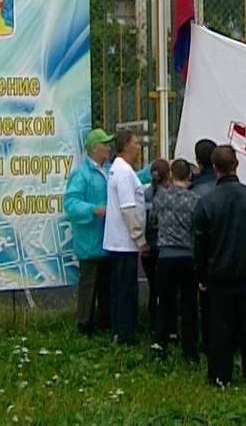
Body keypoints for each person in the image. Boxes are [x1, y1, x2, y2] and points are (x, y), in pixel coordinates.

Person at [193, 145, 246, 385]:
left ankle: (220, 375)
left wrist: (202, 275)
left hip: (218, 275)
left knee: (220, 327)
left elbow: (200, 244)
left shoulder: (206, 202)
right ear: (236, 164)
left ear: (214, 167)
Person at [64, 128, 114, 336]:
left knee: (106, 285)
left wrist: (149, 172)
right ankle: (84, 325)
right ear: (94, 148)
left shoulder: (108, 170)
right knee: (89, 286)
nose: (108, 148)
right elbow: (70, 203)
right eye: (105, 144)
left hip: (107, 240)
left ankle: (104, 323)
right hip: (89, 242)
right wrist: (92, 209)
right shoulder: (81, 174)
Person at [152, 158, 201, 362]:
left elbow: (153, 220)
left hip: (165, 256)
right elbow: (198, 227)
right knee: (189, 304)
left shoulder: (161, 197)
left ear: (171, 175)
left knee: (165, 302)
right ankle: (190, 351)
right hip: (187, 256)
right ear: (189, 175)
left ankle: (160, 345)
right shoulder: (195, 199)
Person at [103, 129, 148, 345]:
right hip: (124, 242)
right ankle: (125, 334)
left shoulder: (120, 169)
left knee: (119, 287)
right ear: (126, 146)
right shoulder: (123, 173)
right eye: (136, 143)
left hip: (118, 240)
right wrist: (140, 239)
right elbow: (128, 209)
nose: (139, 147)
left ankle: (119, 330)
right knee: (126, 290)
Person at [189, 138, 217, 355]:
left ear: (198, 161)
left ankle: (208, 342)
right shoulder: (233, 189)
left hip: (206, 255)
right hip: (231, 255)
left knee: (206, 302)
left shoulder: (195, 191)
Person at [142, 158, 170, 336]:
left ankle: (153, 324)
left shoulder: (144, 194)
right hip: (164, 247)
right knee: (166, 289)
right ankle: (166, 326)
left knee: (153, 287)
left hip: (148, 247)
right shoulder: (168, 196)